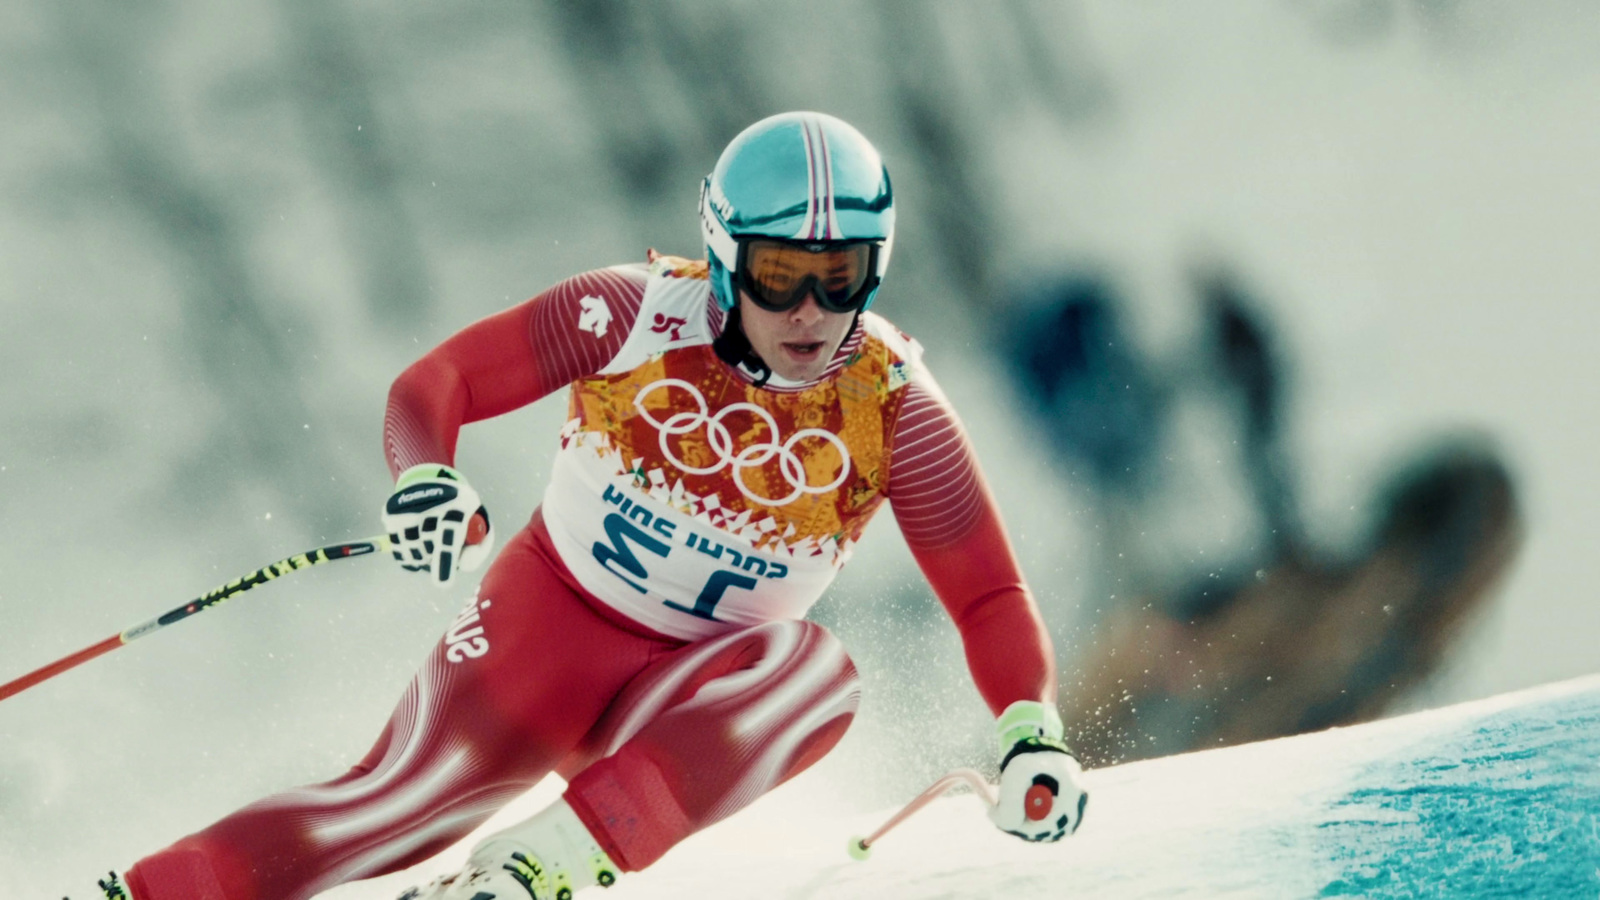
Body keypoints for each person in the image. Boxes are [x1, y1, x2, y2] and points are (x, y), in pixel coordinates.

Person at [101, 111, 1086, 900]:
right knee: (390, 812)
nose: (810, 313)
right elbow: (437, 381)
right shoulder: (631, 315)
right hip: (548, 630)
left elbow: (988, 593)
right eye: (783, 274)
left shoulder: (895, 409)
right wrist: (424, 476)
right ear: (727, 253)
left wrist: (1028, 732)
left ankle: (538, 871)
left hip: (682, 699)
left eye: (841, 277)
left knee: (817, 678)